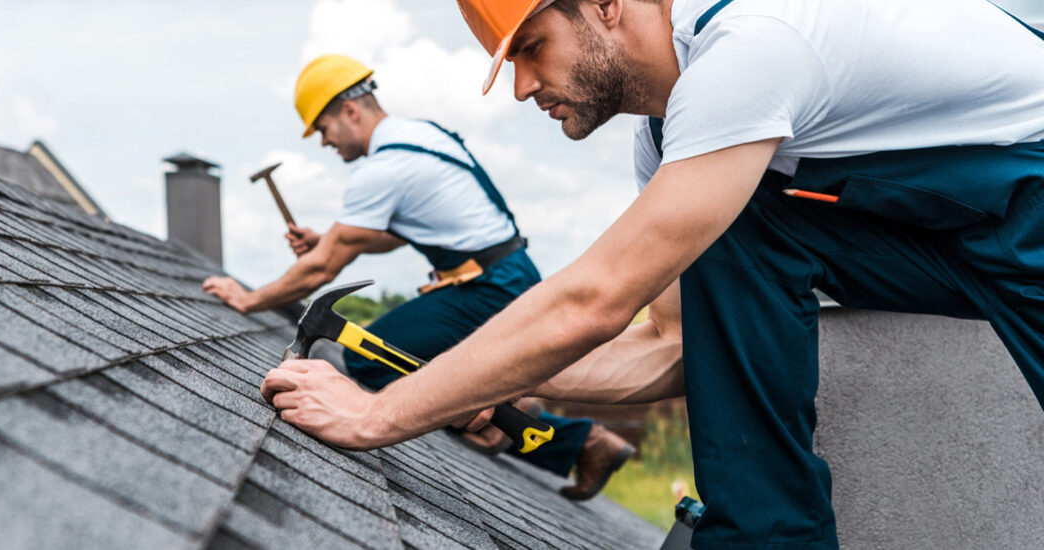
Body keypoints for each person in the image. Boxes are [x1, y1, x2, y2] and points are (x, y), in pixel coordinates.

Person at [259, 0, 1044, 548]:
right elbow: (673, 343)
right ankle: (770, 540)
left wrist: (383, 414)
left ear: (605, 4)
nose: (524, 86)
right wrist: (501, 386)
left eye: (531, 47)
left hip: (1025, 198)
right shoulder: (678, 139)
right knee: (737, 228)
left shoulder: (753, 42)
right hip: (951, 227)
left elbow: (596, 299)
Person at [203, 53, 635, 500]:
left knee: (369, 359)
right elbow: (390, 236)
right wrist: (329, 239)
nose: (325, 143)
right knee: (431, 366)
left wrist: (248, 298)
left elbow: (322, 268)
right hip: (503, 275)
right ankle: (538, 425)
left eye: (324, 129)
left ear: (349, 110)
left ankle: (531, 427)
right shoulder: (420, 136)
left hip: (486, 287)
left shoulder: (383, 167)